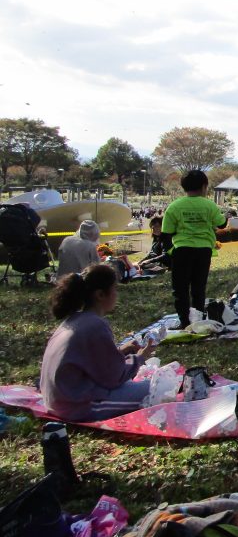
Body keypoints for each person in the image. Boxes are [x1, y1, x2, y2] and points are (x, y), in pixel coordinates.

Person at [40, 264, 156, 421]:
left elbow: (90, 361)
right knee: (157, 388)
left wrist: (121, 351)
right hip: (77, 406)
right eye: (114, 288)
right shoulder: (95, 325)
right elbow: (114, 377)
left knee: (148, 384)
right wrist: (140, 357)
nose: (116, 293)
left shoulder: (76, 319)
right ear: (100, 295)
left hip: (58, 400)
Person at [161, 170, 227, 329]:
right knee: (199, 287)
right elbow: (222, 224)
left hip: (182, 251)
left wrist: (170, 253)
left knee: (180, 288)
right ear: (205, 186)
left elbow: (165, 234)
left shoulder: (175, 206)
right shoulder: (209, 205)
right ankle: (197, 320)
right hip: (204, 252)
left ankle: (184, 322)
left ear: (183, 187)